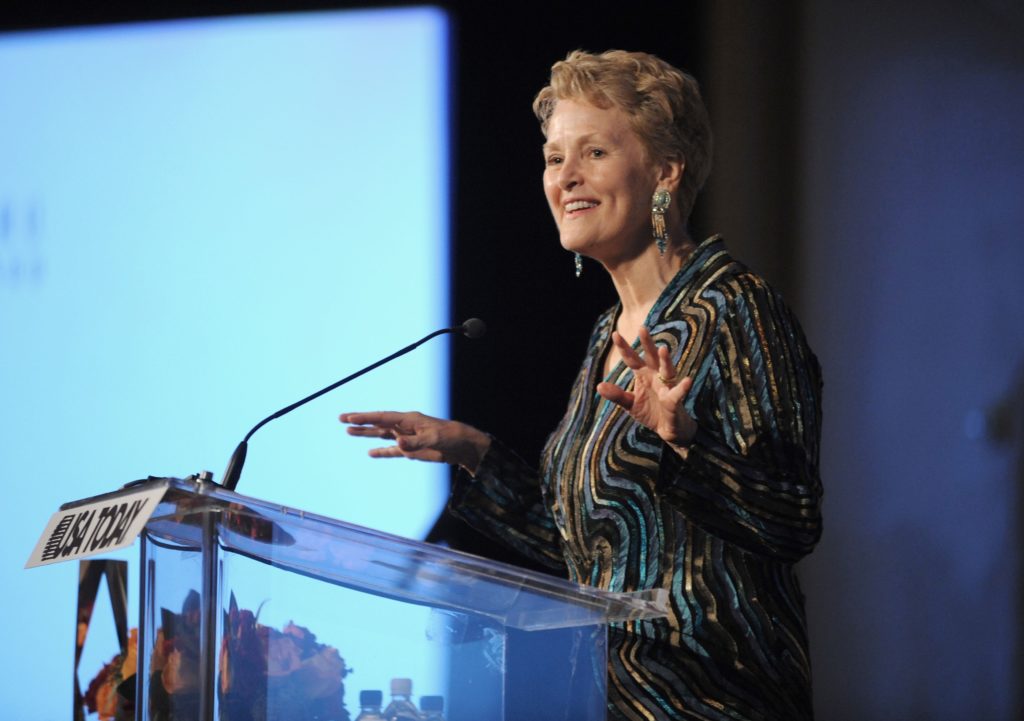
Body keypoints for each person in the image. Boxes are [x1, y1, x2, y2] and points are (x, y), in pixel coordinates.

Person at [341, 49, 822, 721]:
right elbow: (587, 554)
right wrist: (474, 451)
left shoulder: (734, 308)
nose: (565, 177)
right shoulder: (608, 335)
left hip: (712, 699)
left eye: (593, 152)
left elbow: (793, 517)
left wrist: (685, 443)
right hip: (605, 699)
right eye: (553, 157)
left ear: (665, 171)